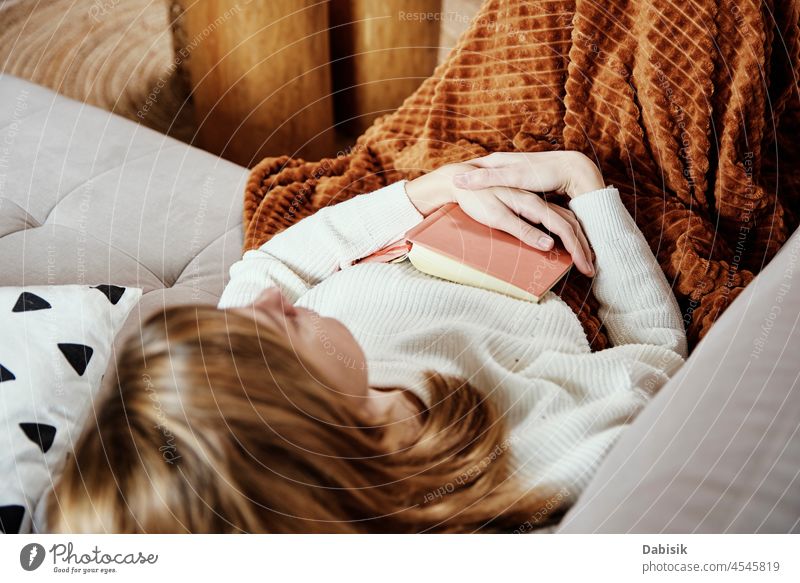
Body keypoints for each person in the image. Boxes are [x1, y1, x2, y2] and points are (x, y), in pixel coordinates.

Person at [47, 151, 687, 533]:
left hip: (439, 207)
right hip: (572, 249)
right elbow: (657, 357)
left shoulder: (235, 372)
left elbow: (268, 269)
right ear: (303, 438)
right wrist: (587, 186)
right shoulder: (527, 455)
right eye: (276, 330)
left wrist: (438, 187)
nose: (269, 305)